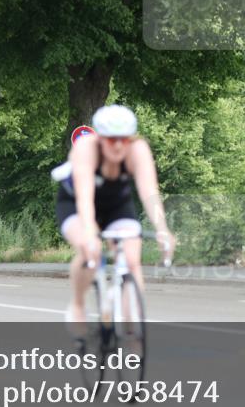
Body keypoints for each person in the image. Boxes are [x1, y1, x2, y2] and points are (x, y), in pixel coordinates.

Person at [54, 105, 175, 331]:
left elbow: (150, 192)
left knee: (131, 258)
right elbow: (84, 196)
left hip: (116, 204)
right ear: (99, 137)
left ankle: (131, 327)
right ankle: (78, 305)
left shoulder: (137, 149)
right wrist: (90, 232)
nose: (118, 145)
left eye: (124, 139)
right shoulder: (85, 149)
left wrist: (162, 228)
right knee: (88, 249)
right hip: (76, 202)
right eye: (111, 139)